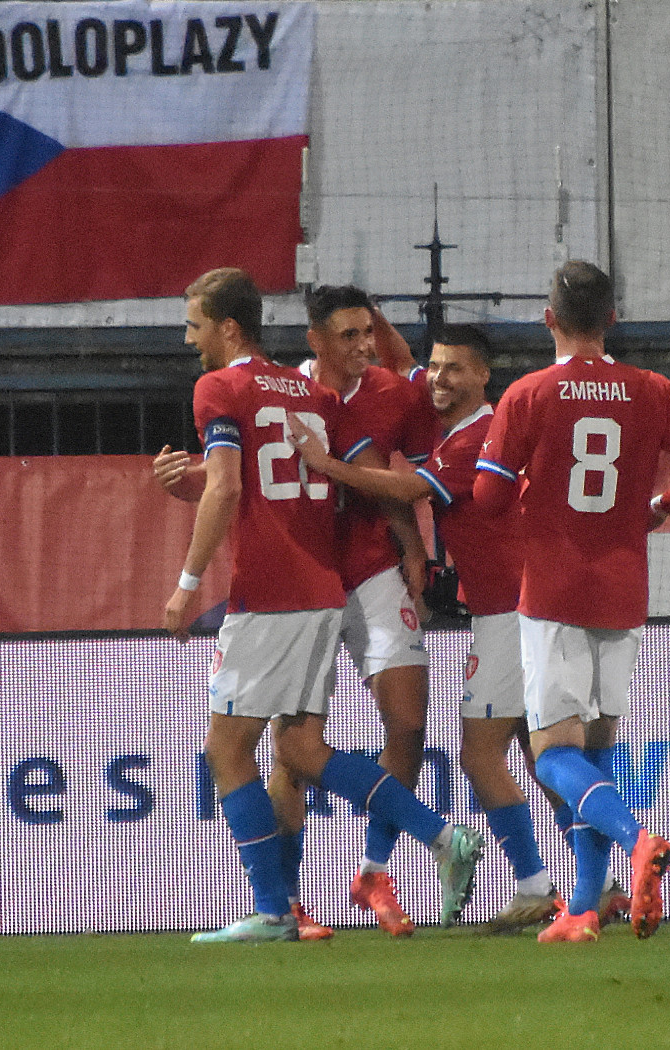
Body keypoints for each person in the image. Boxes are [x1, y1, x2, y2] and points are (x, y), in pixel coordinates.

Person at [152, 267, 482, 943]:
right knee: (299, 745)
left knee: (226, 749)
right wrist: (412, 542)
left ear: (228, 328)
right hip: (322, 591)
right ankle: (439, 836)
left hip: (269, 593)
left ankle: (273, 910)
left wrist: (186, 585)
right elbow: (362, 471)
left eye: (195, 325)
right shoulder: (309, 393)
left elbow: (227, 488)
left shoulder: (219, 388)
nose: (189, 339)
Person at [469, 260, 670, 943]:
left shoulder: (528, 394)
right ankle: (584, 906)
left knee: (554, 755)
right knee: (595, 752)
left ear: (548, 319)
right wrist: (657, 507)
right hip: (623, 590)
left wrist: (534, 498)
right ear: (612, 318)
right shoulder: (653, 390)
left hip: (554, 589)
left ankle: (638, 841)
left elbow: (487, 497)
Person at [288, 324, 561, 934]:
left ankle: (536, 885)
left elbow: (409, 486)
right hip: (520, 608)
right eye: (436, 367)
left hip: (509, 613)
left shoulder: (476, 437)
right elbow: (407, 363)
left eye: (454, 369)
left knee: (479, 753)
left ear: (483, 375)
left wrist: (325, 465)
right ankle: (602, 880)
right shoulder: (450, 412)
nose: (437, 379)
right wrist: (376, 320)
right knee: (540, 754)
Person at [266, 284, 440, 937]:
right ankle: (286, 902)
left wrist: (414, 546)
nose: (365, 346)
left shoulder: (394, 394)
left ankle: (373, 872)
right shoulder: (281, 396)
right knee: (293, 752)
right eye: (349, 335)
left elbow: (405, 480)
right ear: (315, 340)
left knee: (409, 722)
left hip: (371, 570)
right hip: (303, 578)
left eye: (369, 332)